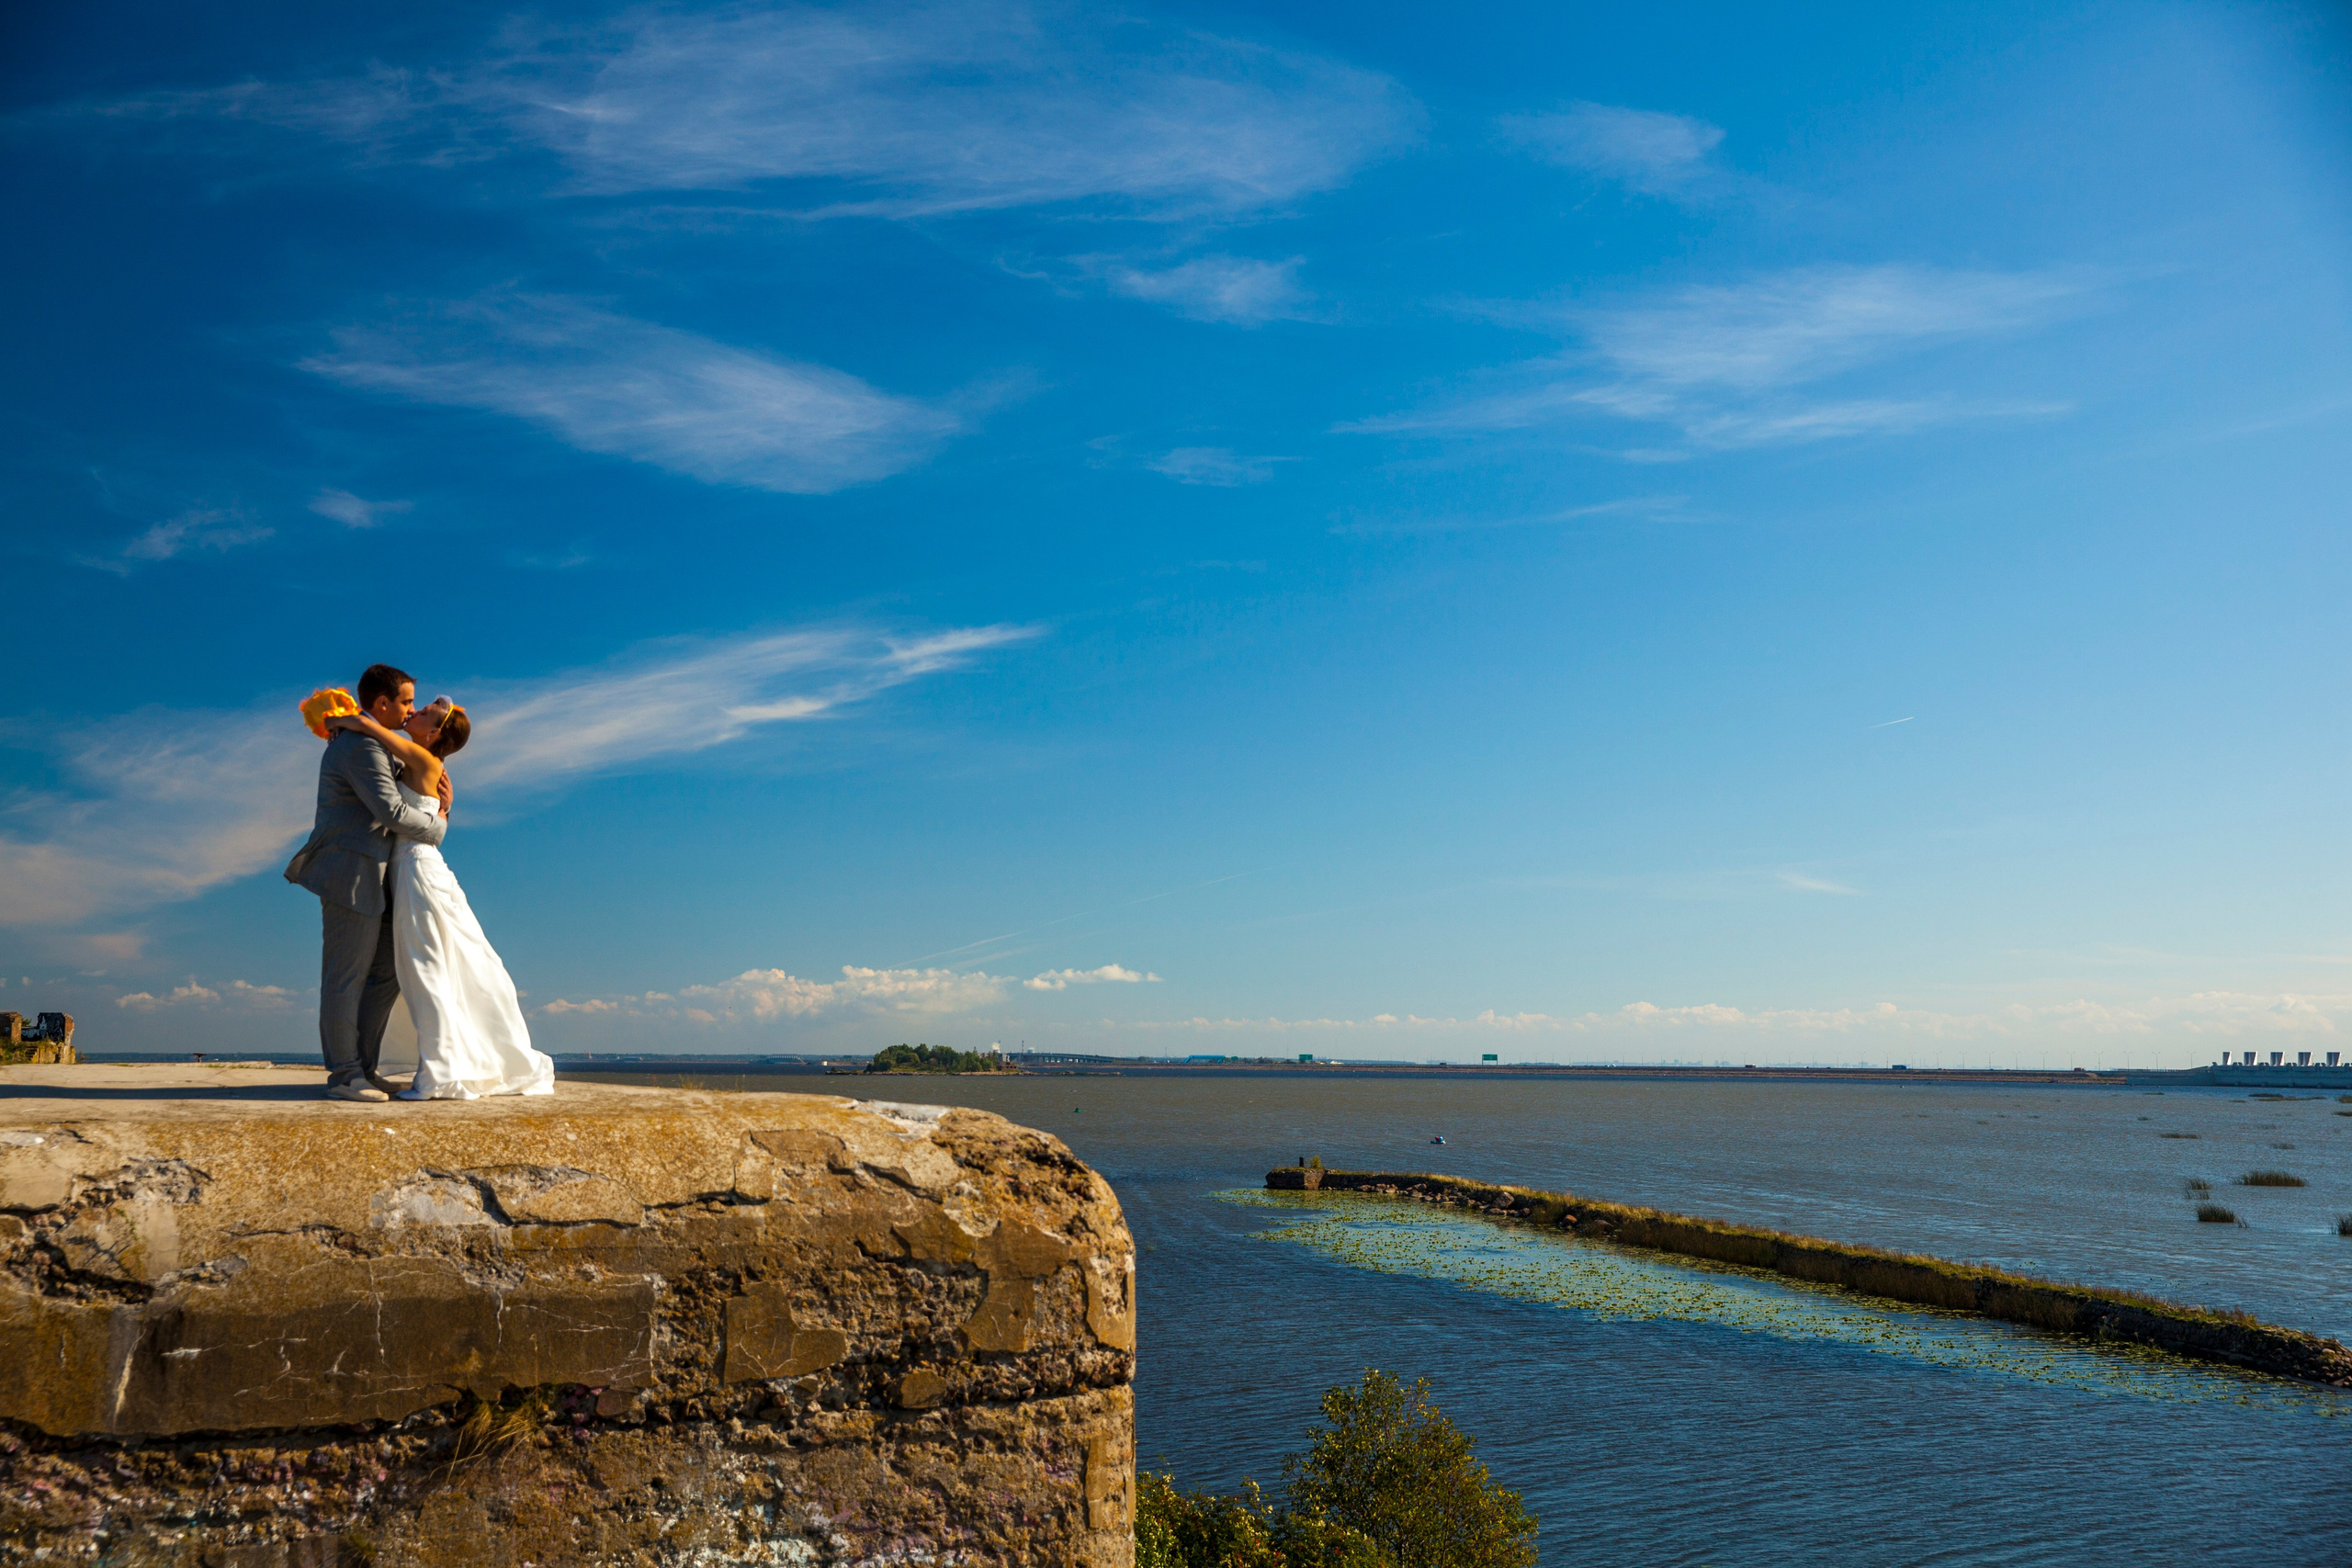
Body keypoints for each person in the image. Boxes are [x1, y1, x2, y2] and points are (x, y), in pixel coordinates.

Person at [322, 697, 554, 1100]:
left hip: (415, 870)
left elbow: (374, 731)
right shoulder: (416, 764)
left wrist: (347, 721)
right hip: (405, 870)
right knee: (423, 967)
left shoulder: (423, 760)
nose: (414, 712)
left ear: (433, 734)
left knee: (425, 967)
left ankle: (441, 1070)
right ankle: (423, 1063)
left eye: (423, 711)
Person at [283, 664, 449, 1101]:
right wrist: (436, 827)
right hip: (351, 875)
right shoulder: (362, 747)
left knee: (385, 973)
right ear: (383, 704)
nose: (413, 707)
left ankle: (364, 1067)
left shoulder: (373, 742)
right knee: (346, 976)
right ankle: (344, 1075)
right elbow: (391, 812)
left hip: (379, 878)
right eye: (408, 701)